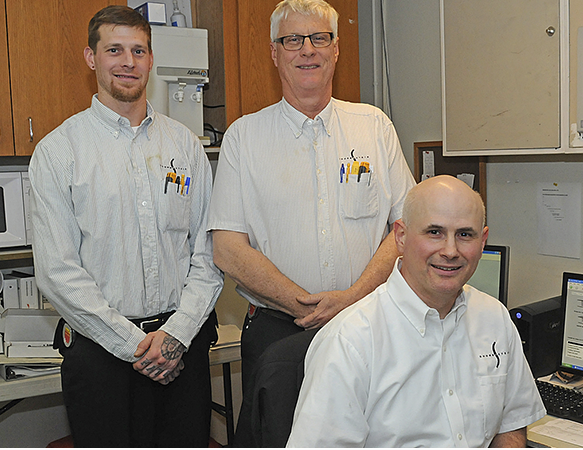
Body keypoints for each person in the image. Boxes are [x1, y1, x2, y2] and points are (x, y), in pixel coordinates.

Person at [207, 0, 415, 446]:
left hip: (368, 325)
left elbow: (407, 228)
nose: (307, 50)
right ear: (274, 52)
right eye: (293, 40)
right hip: (276, 332)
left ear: (336, 49)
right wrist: (303, 306)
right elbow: (226, 247)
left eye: (319, 38)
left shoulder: (374, 127)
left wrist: (352, 298)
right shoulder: (245, 137)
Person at [28, 5, 223, 447]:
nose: (128, 61)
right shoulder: (60, 152)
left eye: (139, 50)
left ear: (151, 60)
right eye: (114, 49)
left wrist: (175, 335)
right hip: (101, 356)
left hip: (181, 348)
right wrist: (135, 345)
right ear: (91, 58)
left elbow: (208, 253)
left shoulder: (186, 147)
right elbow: (58, 271)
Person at [287, 175, 547, 447]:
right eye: (434, 232)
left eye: (464, 235)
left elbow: (511, 423)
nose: (450, 251)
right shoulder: (350, 341)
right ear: (401, 236)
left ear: (482, 241)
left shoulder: (494, 317)